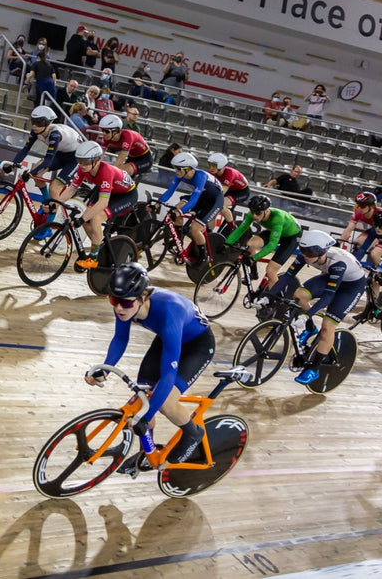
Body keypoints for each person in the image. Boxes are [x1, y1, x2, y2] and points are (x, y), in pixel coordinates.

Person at [91, 263, 216, 474]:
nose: (119, 308)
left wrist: (146, 417)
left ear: (142, 298)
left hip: (197, 346)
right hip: (169, 339)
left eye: (125, 304)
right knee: (142, 396)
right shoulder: (126, 303)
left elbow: (168, 374)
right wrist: (105, 370)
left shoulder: (169, 311)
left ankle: (193, 432)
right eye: (113, 300)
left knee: (165, 402)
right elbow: (120, 339)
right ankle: (146, 454)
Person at [272, 230, 367, 385]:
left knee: (327, 327)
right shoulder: (309, 254)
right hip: (330, 278)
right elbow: (288, 276)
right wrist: (267, 296)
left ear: (322, 251)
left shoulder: (338, 263)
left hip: (351, 288)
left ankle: (314, 369)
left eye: (309, 253)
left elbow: (328, 297)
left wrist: (307, 314)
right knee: (299, 294)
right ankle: (310, 329)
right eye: (303, 251)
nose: (306, 256)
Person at [50, 141, 138, 268]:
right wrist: (57, 203)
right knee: (86, 218)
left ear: (96, 160)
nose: (82, 165)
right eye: (79, 161)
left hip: (126, 195)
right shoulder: (83, 169)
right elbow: (71, 189)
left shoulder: (106, 171)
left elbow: (103, 202)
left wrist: (82, 218)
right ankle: (99, 245)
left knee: (95, 217)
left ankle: (94, 258)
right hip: (110, 190)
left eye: (85, 162)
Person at [10, 106, 85, 227]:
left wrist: (29, 174)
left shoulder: (55, 134)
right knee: (36, 169)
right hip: (62, 153)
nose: (35, 126)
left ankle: (48, 226)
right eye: (33, 122)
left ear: (47, 123)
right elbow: (25, 150)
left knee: (54, 188)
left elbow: (48, 161)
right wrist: (13, 164)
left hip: (75, 158)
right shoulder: (36, 132)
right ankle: (47, 202)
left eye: (39, 122)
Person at [158, 152, 224, 263]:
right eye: (175, 168)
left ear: (188, 169)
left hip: (214, 201)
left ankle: (203, 257)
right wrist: (157, 203)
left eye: (178, 169)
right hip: (203, 197)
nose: (176, 171)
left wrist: (180, 212)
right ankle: (178, 240)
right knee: (176, 210)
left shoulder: (201, 176)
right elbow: (170, 191)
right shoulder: (180, 174)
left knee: (195, 228)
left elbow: (193, 200)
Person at [224, 194, 301, 289]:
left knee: (270, 271)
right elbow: (241, 229)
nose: (254, 216)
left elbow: (272, 245)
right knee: (250, 244)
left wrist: (254, 258)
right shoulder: (252, 214)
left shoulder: (277, 218)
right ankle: (254, 273)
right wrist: (227, 243)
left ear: (267, 211)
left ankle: (272, 298)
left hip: (291, 237)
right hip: (275, 232)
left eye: (258, 213)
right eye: (252, 212)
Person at [207, 152, 250, 229]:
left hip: (241, 191)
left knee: (220, 205)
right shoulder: (211, 172)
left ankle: (233, 227)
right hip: (230, 189)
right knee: (211, 209)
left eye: (213, 166)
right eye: (210, 165)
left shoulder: (229, 173)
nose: (211, 168)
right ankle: (209, 233)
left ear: (221, 166)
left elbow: (221, 192)